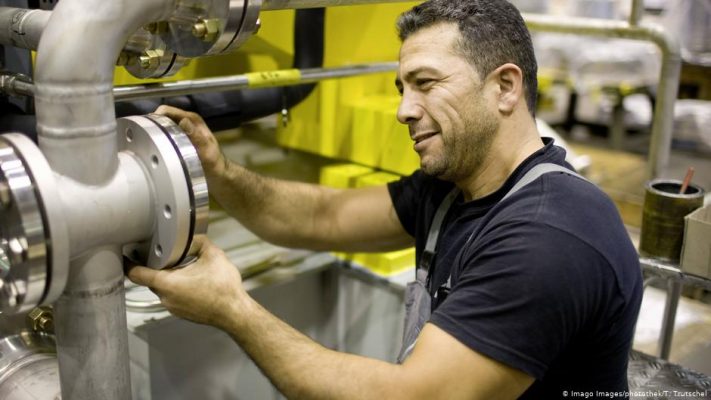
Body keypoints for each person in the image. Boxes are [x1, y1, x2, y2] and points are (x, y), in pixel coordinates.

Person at [127, 0, 643, 398]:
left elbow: (412, 397)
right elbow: (324, 217)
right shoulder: (454, 188)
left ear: (505, 87)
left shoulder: (548, 237)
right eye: (402, 88)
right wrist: (218, 172)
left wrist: (232, 309)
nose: (403, 110)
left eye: (425, 84)